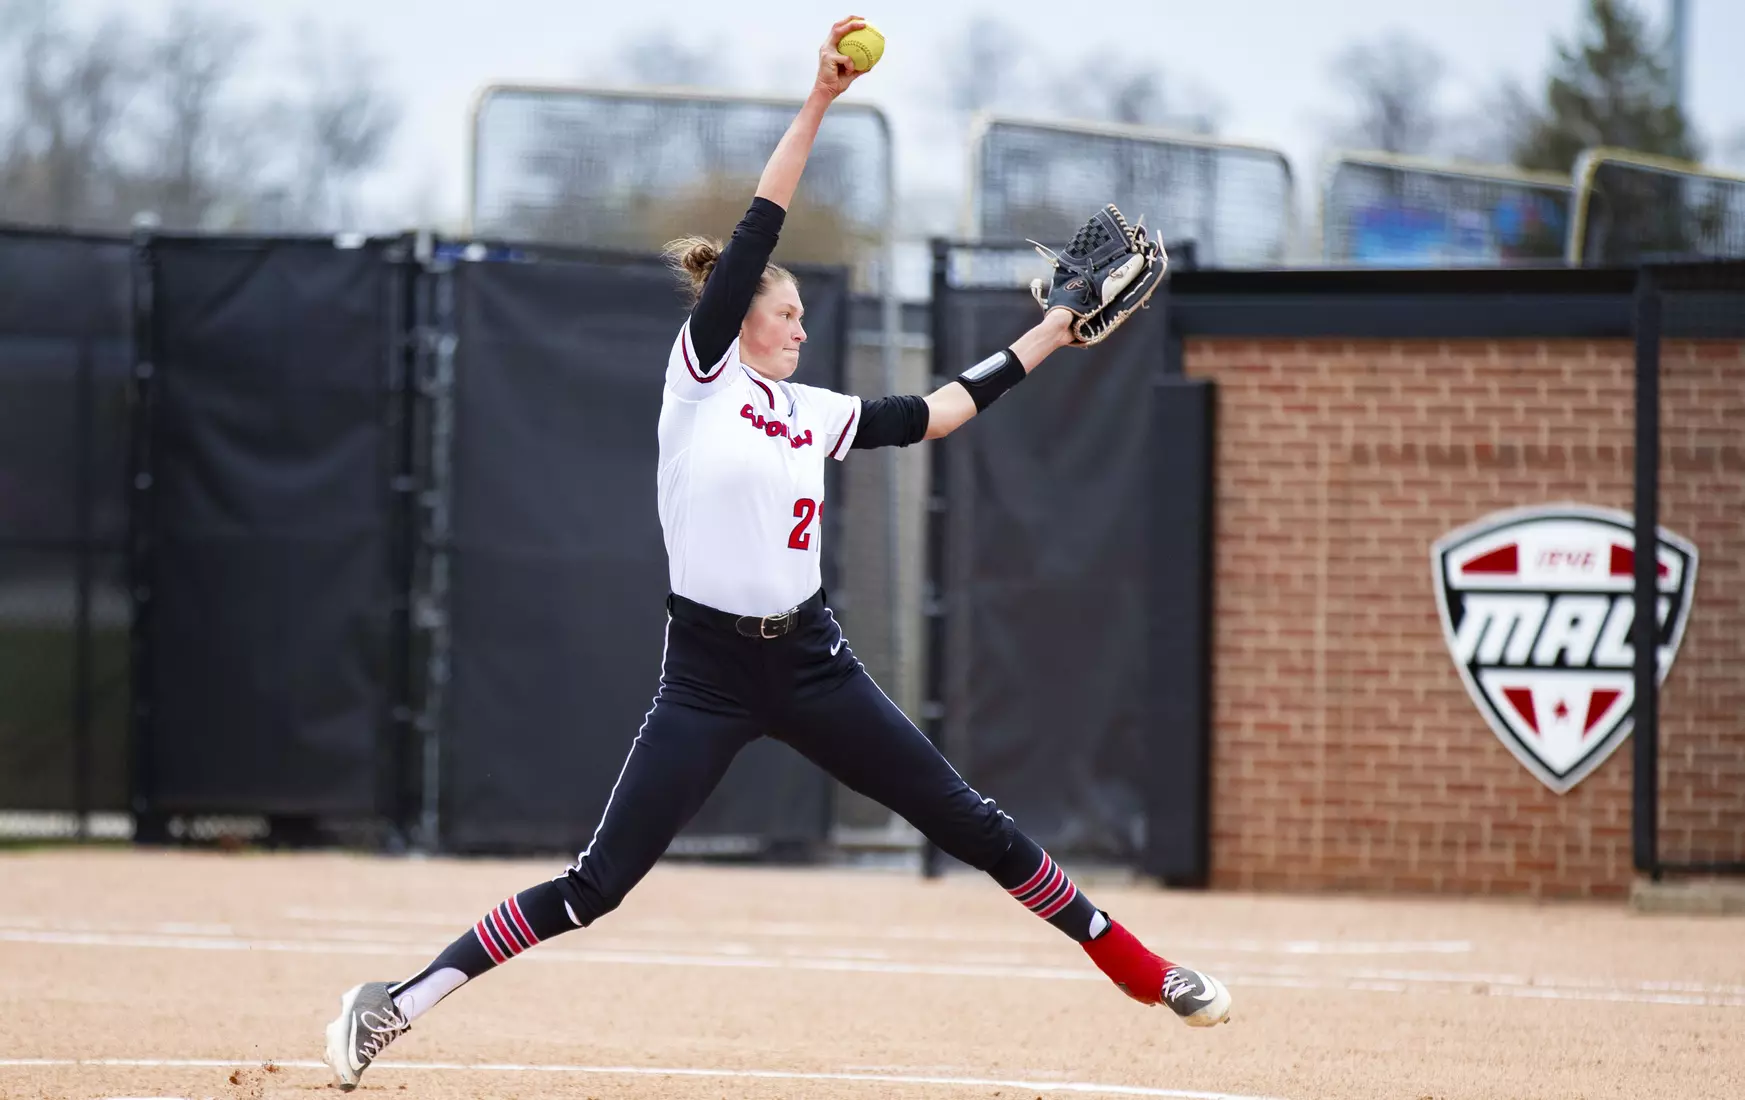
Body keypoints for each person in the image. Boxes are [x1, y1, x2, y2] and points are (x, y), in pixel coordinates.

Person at [322, 16, 1229, 1090]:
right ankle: (394, 1002)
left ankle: (1141, 968)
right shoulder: (698, 378)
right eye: (785, 311)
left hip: (811, 663)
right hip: (705, 677)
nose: (798, 325)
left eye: (800, 312)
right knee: (597, 881)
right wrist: (818, 104)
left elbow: (935, 412)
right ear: (736, 317)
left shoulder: (808, 409)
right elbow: (759, 226)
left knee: (968, 821)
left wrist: (1053, 330)